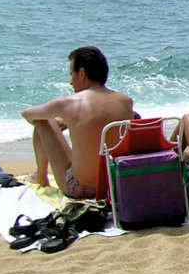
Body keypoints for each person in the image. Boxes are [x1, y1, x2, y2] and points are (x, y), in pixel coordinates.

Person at [20, 46, 134, 201]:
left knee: (43, 120)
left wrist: (63, 121)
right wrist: (71, 122)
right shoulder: (126, 102)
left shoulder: (70, 103)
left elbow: (28, 114)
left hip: (79, 188)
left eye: (71, 74)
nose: (70, 82)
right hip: (112, 184)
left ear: (81, 74)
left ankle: (40, 176)